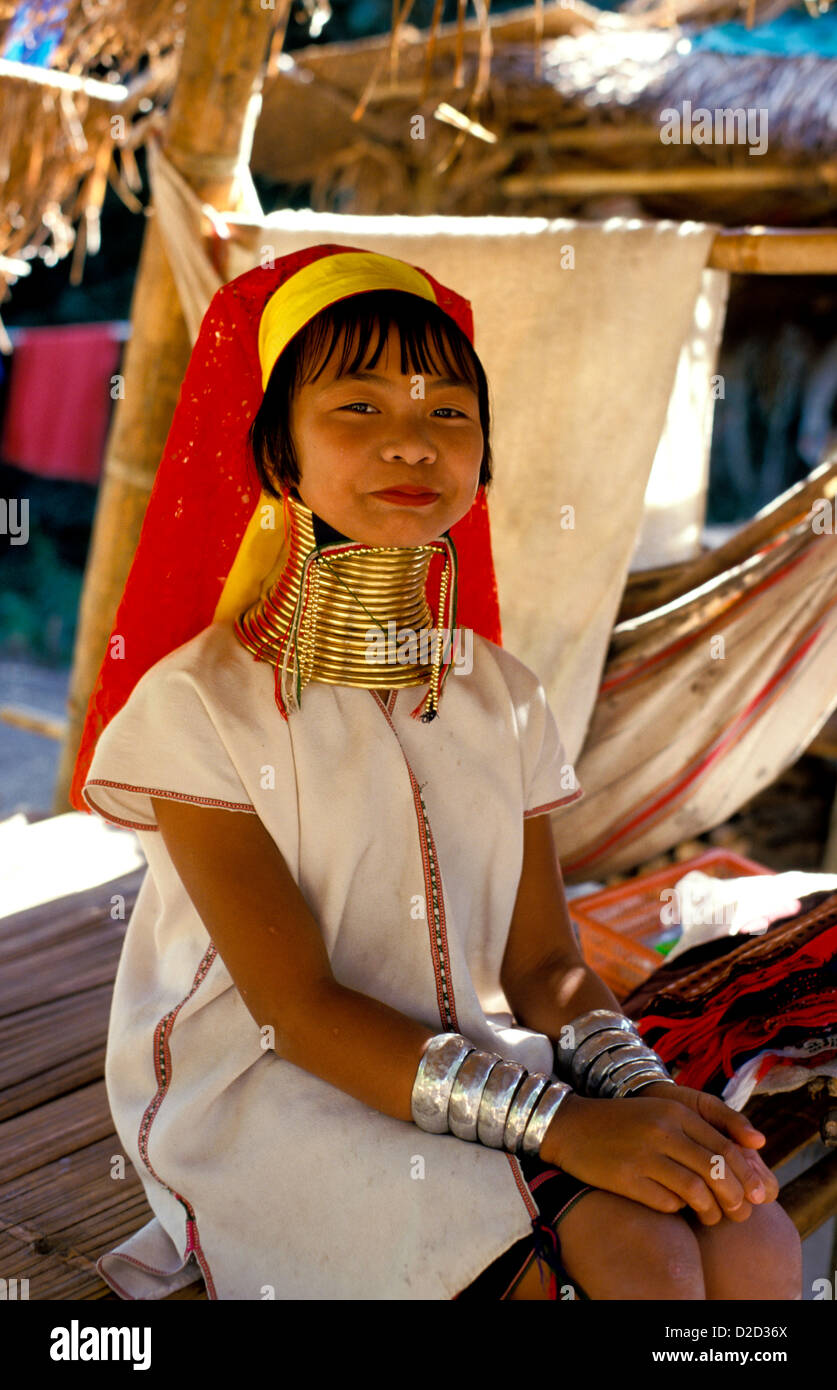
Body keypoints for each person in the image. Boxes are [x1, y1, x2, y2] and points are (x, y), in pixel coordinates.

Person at [73, 244, 801, 1301]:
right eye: (358, 409)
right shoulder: (199, 709)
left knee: (754, 1239)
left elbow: (548, 966)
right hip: (272, 1090)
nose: (411, 441)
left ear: (484, 459)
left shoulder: (499, 693)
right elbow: (297, 1008)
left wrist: (652, 1099)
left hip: (472, 1057)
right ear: (279, 459)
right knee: (636, 1259)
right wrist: (570, 1127)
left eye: (448, 413)